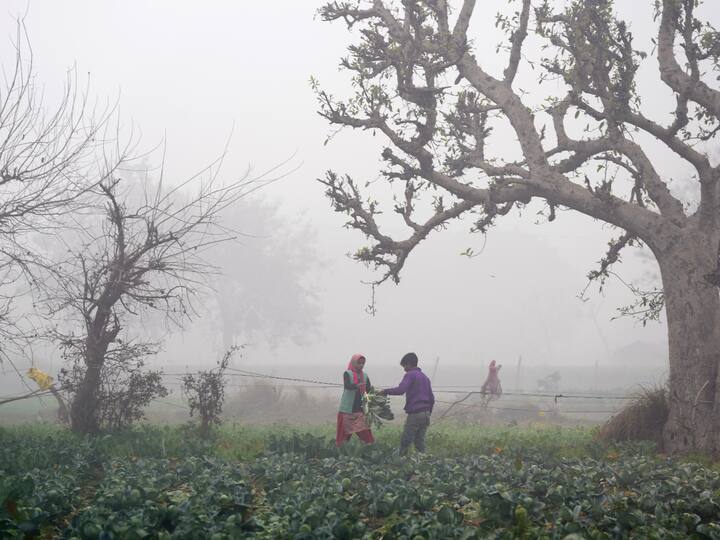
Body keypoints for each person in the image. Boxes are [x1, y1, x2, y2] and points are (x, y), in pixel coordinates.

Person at [378, 352, 434, 455]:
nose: (404, 369)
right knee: (419, 442)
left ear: (409, 364)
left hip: (416, 413)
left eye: (404, 366)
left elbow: (401, 390)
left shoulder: (410, 375)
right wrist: (428, 413)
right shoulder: (425, 377)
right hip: (425, 413)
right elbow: (431, 398)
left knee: (406, 440)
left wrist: (385, 391)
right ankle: (425, 461)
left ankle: (399, 461)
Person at [336, 353, 375, 447]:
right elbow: (347, 386)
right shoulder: (347, 373)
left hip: (360, 410)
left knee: (366, 435)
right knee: (343, 437)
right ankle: (340, 451)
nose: (361, 365)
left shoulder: (365, 376)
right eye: (359, 363)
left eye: (363, 363)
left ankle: (370, 448)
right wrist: (358, 386)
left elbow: (369, 390)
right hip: (347, 410)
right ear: (353, 363)